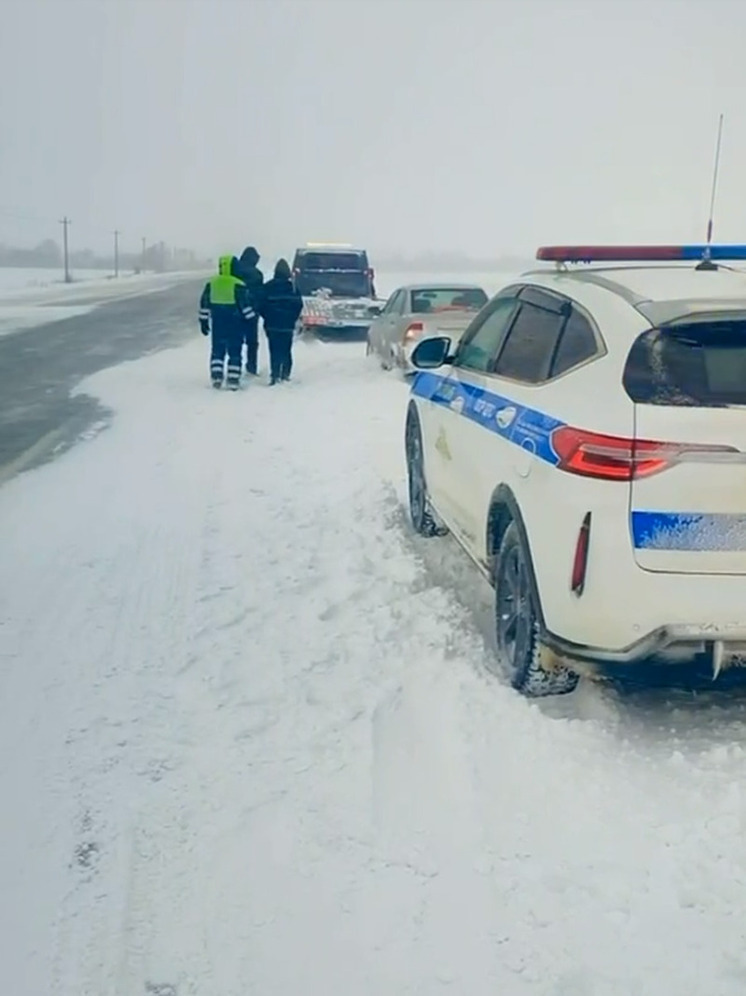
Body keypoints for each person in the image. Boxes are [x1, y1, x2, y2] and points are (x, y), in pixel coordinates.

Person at [198, 255, 256, 390]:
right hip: (236, 323)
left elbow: (204, 304)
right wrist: (251, 321)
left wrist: (204, 321)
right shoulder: (238, 284)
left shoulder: (211, 284)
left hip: (218, 323)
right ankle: (233, 378)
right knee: (235, 351)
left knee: (217, 350)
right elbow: (245, 306)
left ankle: (216, 376)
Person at [256, 258, 303, 385]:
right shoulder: (292, 288)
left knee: (274, 349)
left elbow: (260, 304)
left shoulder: (268, 287)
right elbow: (299, 305)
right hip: (287, 325)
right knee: (286, 349)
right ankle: (285, 374)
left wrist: (267, 317)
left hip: (272, 325)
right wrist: (292, 318)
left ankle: (275, 374)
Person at [236, 246, 264, 375]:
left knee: (235, 341)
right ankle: (251, 366)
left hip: (235, 311)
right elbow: (260, 294)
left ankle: (234, 365)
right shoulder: (257, 274)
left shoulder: (235, 271)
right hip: (252, 312)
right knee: (252, 342)